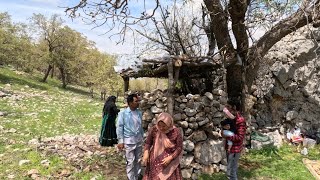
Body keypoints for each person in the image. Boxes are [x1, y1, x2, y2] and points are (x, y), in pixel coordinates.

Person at [142, 112, 183, 180]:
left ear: (169, 124)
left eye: (164, 126)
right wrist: (146, 152)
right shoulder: (154, 130)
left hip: (170, 163)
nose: (161, 128)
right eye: (159, 125)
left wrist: (170, 158)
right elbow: (148, 143)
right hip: (154, 162)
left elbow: (179, 148)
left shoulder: (176, 132)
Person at [116, 94, 144, 180]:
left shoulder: (139, 113)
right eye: (136, 101)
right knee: (130, 161)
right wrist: (121, 141)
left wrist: (142, 137)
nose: (138, 103)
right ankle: (131, 177)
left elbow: (140, 127)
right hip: (129, 141)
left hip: (138, 140)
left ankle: (137, 176)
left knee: (138, 160)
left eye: (138, 101)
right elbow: (119, 127)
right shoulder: (123, 113)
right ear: (130, 103)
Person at [222, 99, 246, 180]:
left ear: (234, 107)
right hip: (230, 149)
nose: (227, 109)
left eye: (229, 107)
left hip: (235, 150)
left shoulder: (240, 120)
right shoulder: (234, 118)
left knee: (232, 172)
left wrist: (226, 136)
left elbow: (240, 137)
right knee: (231, 171)